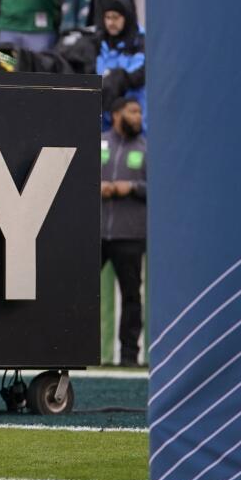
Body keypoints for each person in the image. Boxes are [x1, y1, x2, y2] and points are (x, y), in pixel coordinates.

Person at [101, 97, 147, 367]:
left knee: (131, 295)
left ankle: (129, 355)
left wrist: (131, 188)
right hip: (94, 234)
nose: (138, 116)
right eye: (133, 111)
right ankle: (73, 348)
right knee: (78, 292)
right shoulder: (99, 143)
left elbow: (158, 187)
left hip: (130, 235)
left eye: (140, 112)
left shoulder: (146, 148)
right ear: (116, 114)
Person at [97, 0, 146, 131]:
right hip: (105, 120)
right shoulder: (100, 42)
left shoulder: (139, 41)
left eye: (116, 17)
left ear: (126, 17)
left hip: (132, 114)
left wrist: (115, 78)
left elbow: (138, 75)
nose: (111, 22)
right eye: (108, 17)